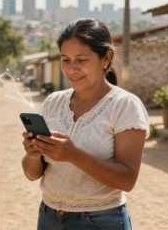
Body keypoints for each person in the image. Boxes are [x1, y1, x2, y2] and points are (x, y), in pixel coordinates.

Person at [21, 18, 149, 230]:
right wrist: (34, 153)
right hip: (49, 217)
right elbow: (31, 174)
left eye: (81, 60)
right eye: (65, 60)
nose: (71, 69)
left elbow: (127, 180)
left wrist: (74, 155)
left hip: (101, 222)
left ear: (105, 58)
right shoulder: (53, 102)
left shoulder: (124, 106)